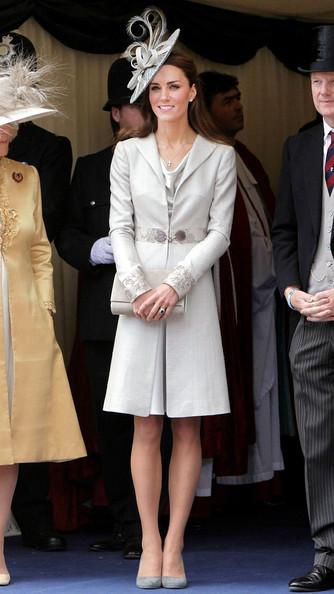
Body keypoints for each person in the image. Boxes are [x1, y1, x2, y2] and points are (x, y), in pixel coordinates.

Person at [103, 7, 236, 589]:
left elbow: (220, 233)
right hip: (137, 298)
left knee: (187, 425)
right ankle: (148, 546)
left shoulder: (220, 154)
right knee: (145, 425)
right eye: (154, 87)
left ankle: (177, 545)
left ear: (191, 91)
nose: (163, 96)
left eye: (173, 86)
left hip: (190, 293)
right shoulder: (126, 154)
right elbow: (121, 228)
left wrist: (174, 284)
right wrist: (138, 289)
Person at [0, 56, 86, 587]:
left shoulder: (25, 175)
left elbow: (38, 250)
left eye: (12, 116)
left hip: (21, 317)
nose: (9, 127)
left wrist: (45, 308)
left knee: (9, 440)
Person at [55, 57, 144, 560]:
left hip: (156, 307)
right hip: (103, 316)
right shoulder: (90, 168)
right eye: (133, 105)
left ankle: (149, 525)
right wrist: (94, 249)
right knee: (111, 424)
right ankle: (125, 521)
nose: (143, 114)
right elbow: (64, 233)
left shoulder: (169, 160)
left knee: (154, 421)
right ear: (114, 112)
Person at [198, 71, 284, 489]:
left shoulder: (243, 155)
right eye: (227, 100)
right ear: (206, 107)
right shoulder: (204, 156)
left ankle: (258, 474)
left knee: (261, 382)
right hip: (222, 299)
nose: (238, 107)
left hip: (262, 297)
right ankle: (212, 488)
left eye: (239, 98)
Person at [272, 25, 334, 593]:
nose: (324, 89)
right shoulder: (298, 146)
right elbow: (284, 230)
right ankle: (327, 550)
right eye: (317, 80)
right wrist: (291, 291)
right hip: (310, 312)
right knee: (316, 436)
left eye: (333, 79)